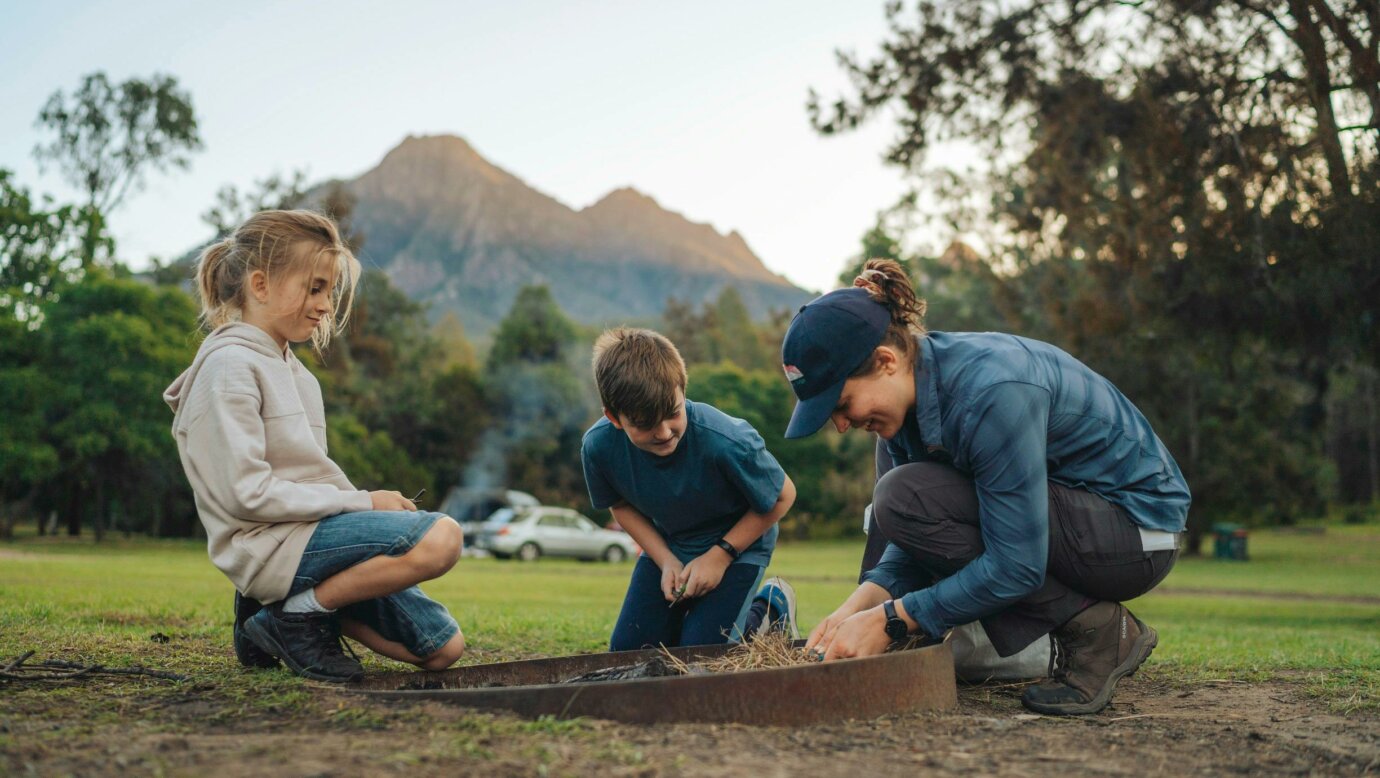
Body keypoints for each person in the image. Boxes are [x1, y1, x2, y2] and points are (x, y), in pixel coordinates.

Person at [790, 259, 1190, 715]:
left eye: (842, 404)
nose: (842, 425)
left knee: (901, 495)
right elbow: (910, 532)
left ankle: (1098, 632)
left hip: (1140, 532)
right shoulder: (902, 415)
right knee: (898, 500)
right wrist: (859, 607)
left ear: (886, 361)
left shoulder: (990, 390)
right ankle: (1092, 628)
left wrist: (895, 621)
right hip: (1080, 526)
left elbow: (1016, 564)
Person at [164, 210, 466, 683]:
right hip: (267, 545)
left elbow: (310, 479)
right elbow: (246, 493)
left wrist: (369, 513)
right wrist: (365, 502)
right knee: (441, 537)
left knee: (442, 648)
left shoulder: (298, 376)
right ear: (260, 285)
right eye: (315, 288)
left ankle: (270, 615)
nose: (326, 304)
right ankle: (293, 616)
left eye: (329, 290)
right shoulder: (229, 368)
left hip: (309, 540)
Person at [581, 328, 799, 650]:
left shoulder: (725, 440)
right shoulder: (597, 447)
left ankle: (769, 611)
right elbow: (620, 506)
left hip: (739, 546)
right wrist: (665, 559)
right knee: (628, 654)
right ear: (614, 417)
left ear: (683, 389)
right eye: (644, 424)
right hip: (671, 543)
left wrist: (720, 556)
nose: (664, 432)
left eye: (673, 413)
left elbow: (783, 496)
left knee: (700, 655)